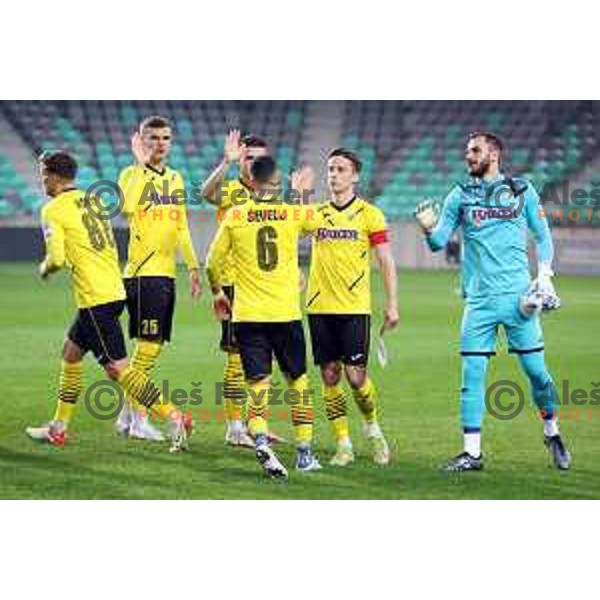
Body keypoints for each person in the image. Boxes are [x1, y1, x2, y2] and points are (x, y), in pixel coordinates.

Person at [414, 131, 570, 471]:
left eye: (475, 150)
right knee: (471, 375)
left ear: (494, 154)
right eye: (467, 150)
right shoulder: (460, 194)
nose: (468, 156)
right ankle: (472, 453)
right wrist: (428, 228)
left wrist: (544, 275)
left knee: (538, 375)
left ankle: (551, 431)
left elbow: (543, 236)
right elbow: (439, 243)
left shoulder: (521, 190)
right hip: (479, 301)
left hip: (519, 300)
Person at [26, 151, 191, 452]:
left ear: (54, 176)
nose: (42, 182)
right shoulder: (93, 200)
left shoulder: (53, 209)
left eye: (43, 176)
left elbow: (57, 258)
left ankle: (175, 416)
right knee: (71, 353)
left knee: (118, 369)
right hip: (113, 289)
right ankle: (58, 428)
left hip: (95, 299)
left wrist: (44, 268)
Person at [205, 156, 321, 479]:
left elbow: (212, 263)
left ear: (251, 183)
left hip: (247, 315)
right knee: (297, 381)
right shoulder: (292, 211)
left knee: (258, 383)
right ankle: (304, 454)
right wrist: (300, 194)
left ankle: (258, 438)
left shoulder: (236, 215)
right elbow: (316, 227)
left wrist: (218, 292)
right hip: (284, 313)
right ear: (278, 182)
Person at [306, 148, 399, 466]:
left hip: (355, 308)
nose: (334, 174)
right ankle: (343, 443)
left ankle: (372, 429)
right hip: (319, 307)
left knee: (356, 378)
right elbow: (285, 233)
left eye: (341, 169)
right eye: (330, 169)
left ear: (355, 175)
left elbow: (385, 259)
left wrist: (393, 303)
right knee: (330, 376)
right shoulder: (315, 213)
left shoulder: (369, 214)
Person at [115, 115, 201, 440]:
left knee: (149, 350)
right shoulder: (129, 174)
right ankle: (139, 421)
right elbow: (128, 208)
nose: (159, 143)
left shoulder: (176, 178)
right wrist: (139, 167)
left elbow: (181, 226)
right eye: (153, 138)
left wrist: (193, 266)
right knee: (147, 351)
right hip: (142, 274)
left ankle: (126, 417)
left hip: (166, 275)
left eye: (165, 137)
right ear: (141, 140)